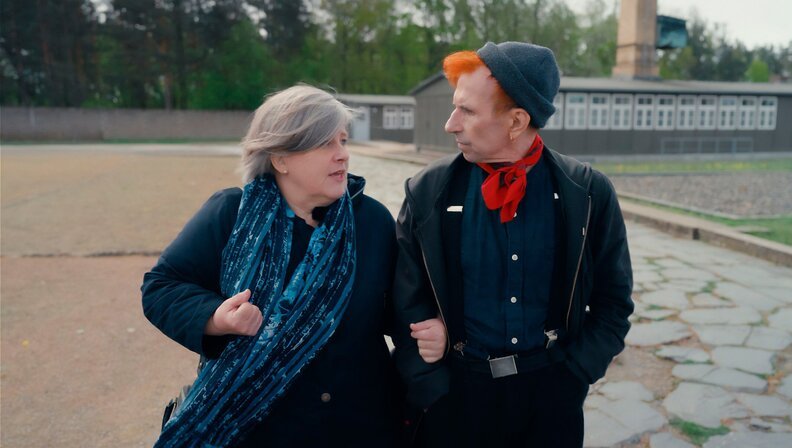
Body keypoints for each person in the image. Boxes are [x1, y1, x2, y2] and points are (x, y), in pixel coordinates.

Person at [393, 42, 634, 447]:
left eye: (466, 111)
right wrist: (431, 386)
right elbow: (402, 300)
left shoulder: (587, 193)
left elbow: (614, 301)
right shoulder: (428, 191)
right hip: (456, 398)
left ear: (517, 120)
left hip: (551, 400)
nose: (451, 124)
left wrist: (575, 375)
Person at [142, 85, 400, 447]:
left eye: (343, 141)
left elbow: (400, 308)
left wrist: (428, 327)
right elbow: (161, 287)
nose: (342, 155)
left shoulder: (371, 221)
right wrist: (216, 319)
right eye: (326, 144)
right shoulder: (231, 214)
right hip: (258, 430)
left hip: (358, 426)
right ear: (281, 158)